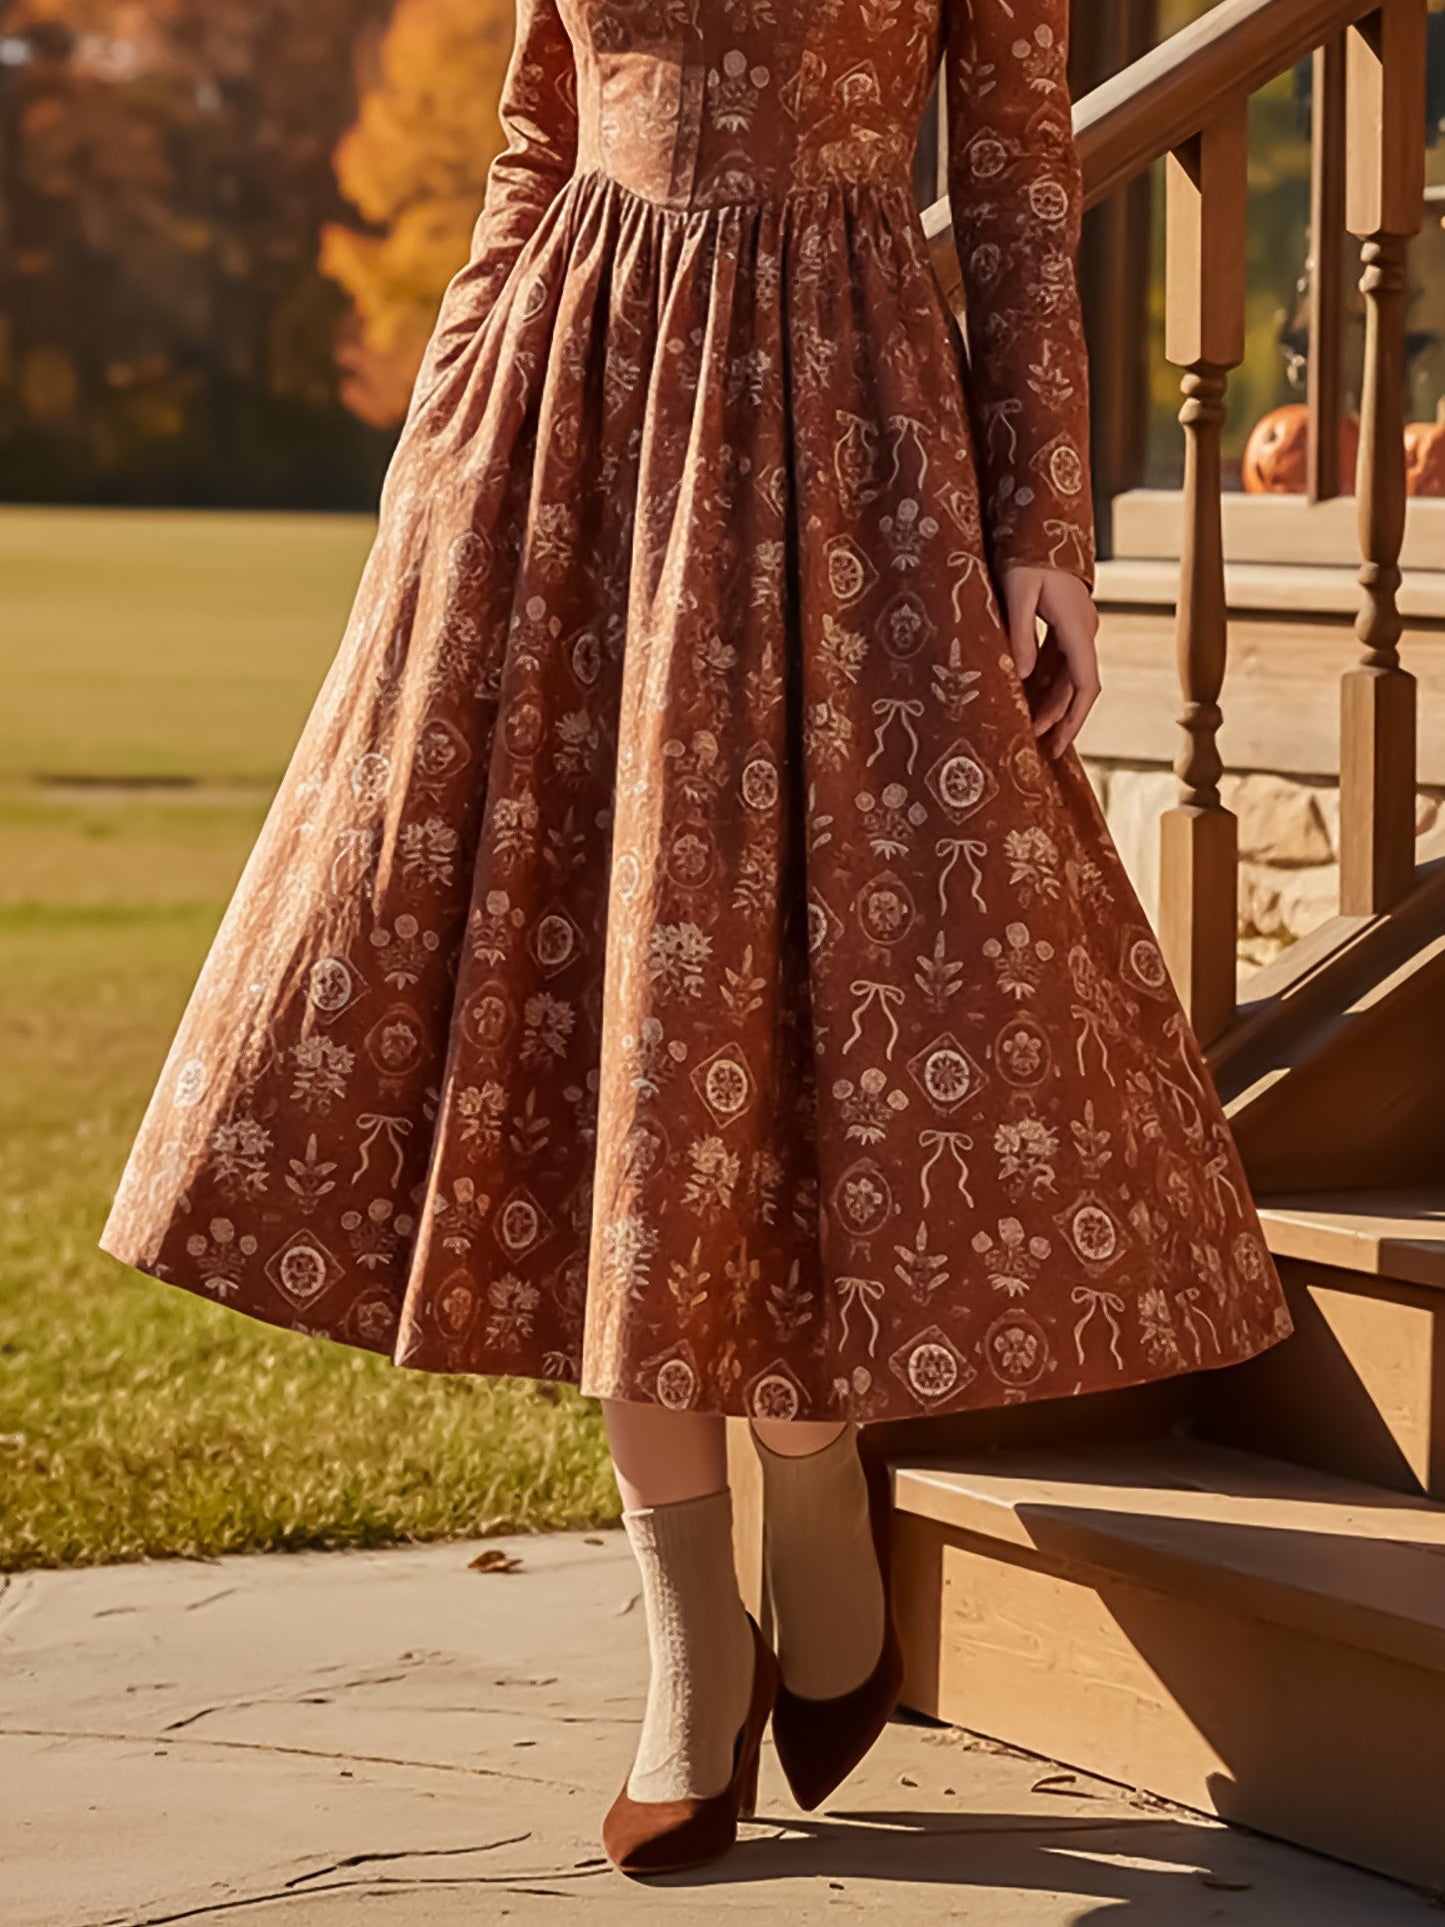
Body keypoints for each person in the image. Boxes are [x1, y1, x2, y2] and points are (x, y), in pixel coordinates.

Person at [99, 0, 1295, 1879]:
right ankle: (684, 1649)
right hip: (571, 431)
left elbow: (1007, 177)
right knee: (610, 1025)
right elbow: (530, 136)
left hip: (851, 440)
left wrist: (1044, 516)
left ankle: (813, 1482)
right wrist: (441, 444)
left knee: (813, 1010)